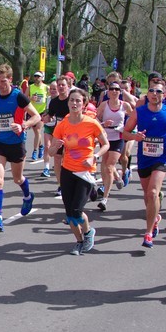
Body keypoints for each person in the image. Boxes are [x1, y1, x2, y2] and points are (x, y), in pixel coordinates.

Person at [122, 76, 166, 248]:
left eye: (158, 91)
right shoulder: (139, 112)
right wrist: (135, 136)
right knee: (147, 194)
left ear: (164, 95)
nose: (155, 94)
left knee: (153, 192)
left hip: (163, 156)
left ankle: (148, 233)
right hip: (144, 157)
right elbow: (125, 133)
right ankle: (155, 218)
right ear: (147, 94)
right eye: (151, 91)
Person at [51, 88, 109, 253]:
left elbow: (106, 144)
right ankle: (79, 241)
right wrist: (55, 146)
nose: (74, 103)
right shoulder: (62, 125)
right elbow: (51, 152)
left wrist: (95, 156)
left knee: (76, 211)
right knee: (69, 213)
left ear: (84, 104)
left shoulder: (91, 123)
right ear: (68, 103)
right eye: (72, 100)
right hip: (67, 170)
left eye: (78, 101)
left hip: (85, 172)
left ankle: (88, 231)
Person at [0, 65, 41, 233]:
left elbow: (36, 116)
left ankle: (27, 196)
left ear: (10, 80)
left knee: (17, 179)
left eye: (3, 81)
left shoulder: (18, 96)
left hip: (16, 143)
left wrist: (23, 125)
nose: (1, 85)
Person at [96, 80, 129, 211]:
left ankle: (105, 198)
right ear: (108, 92)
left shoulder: (124, 105)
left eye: (117, 89)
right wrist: (103, 124)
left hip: (118, 137)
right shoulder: (104, 105)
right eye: (112, 89)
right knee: (104, 165)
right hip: (105, 138)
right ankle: (116, 178)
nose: (114, 91)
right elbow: (95, 118)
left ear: (120, 92)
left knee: (109, 167)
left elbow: (134, 118)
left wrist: (125, 127)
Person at [43, 75, 72, 197]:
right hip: (59, 133)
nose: (60, 87)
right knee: (57, 158)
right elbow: (50, 115)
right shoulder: (54, 102)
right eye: (59, 85)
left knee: (70, 159)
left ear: (68, 86)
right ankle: (61, 185)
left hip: (73, 134)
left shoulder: (72, 100)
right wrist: (46, 118)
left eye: (63, 85)